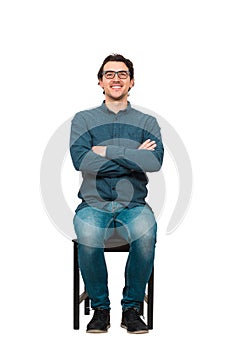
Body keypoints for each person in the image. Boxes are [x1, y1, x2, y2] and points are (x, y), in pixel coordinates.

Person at [70, 54, 164, 334]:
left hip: (134, 204)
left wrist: (108, 151)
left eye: (122, 74)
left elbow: (154, 163)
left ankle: (132, 308)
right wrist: (133, 157)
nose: (116, 79)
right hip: (92, 204)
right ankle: (100, 309)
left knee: (146, 235)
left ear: (131, 82)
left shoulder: (147, 122)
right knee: (87, 235)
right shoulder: (83, 119)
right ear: (100, 82)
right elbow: (81, 161)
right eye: (109, 74)